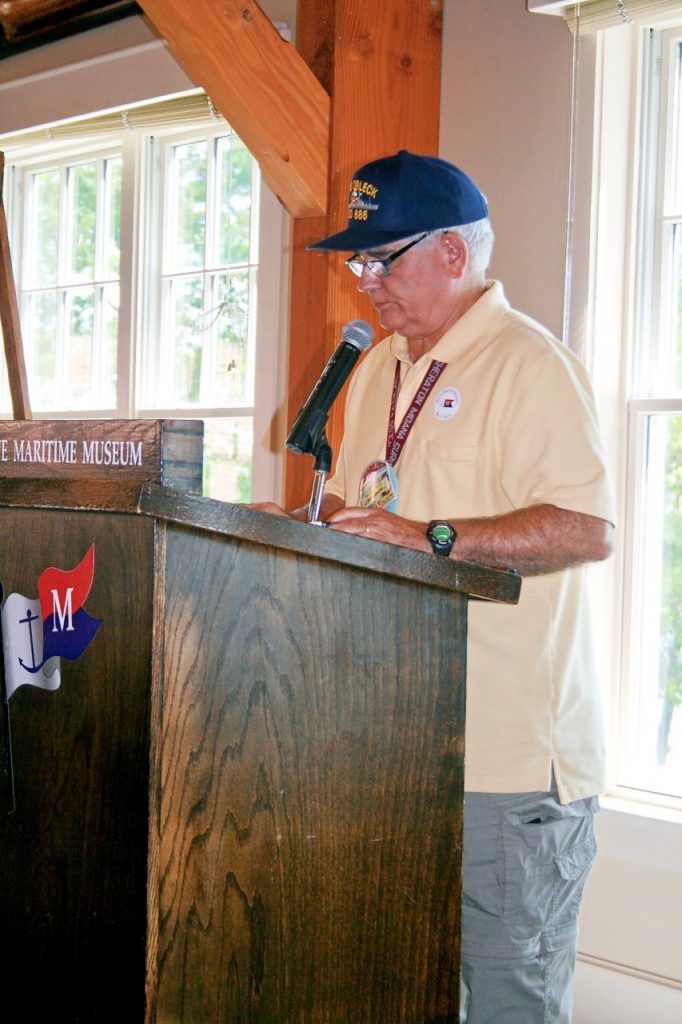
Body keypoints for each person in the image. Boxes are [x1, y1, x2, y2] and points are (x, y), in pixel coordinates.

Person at [256, 149, 615, 1023]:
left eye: (385, 257)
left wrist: (432, 539)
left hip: (508, 768)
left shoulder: (532, 364)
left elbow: (585, 529)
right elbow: (384, 507)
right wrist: (317, 518)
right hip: (395, 750)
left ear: (454, 253)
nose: (366, 280)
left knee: (507, 1008)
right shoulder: (377, 367)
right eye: (359, 260)